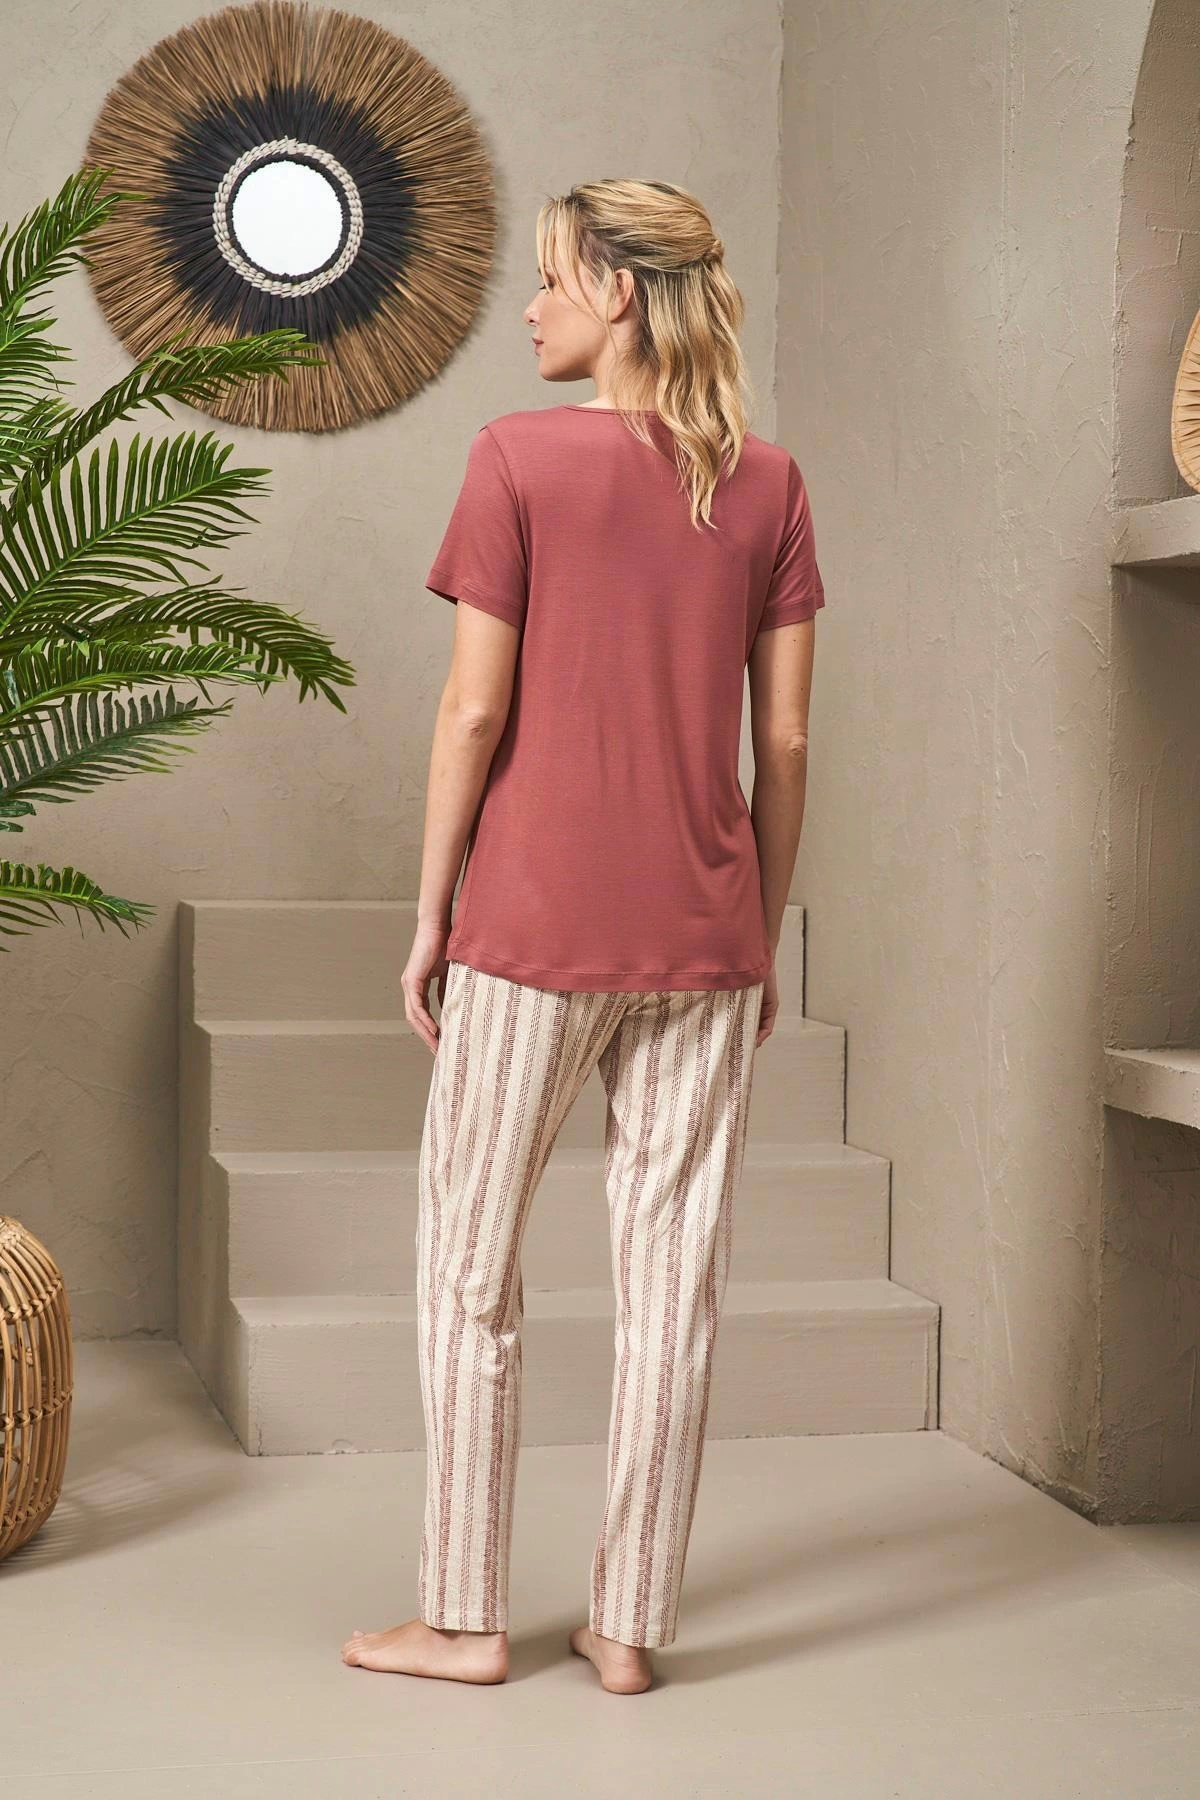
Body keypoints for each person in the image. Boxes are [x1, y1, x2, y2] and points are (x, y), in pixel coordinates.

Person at [341, 177, 824, 1696]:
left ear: (619, 292)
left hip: (531, 934)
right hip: (708, 939)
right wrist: (758, 932)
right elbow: (785, 744)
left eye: (550, 278)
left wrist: (432, 912)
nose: (531, 307)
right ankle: (627, 1627)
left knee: (469, 1269)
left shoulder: (516, 459)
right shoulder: (771, 485)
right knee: (674, 1287)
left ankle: (463, 1618)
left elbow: (471, 710)